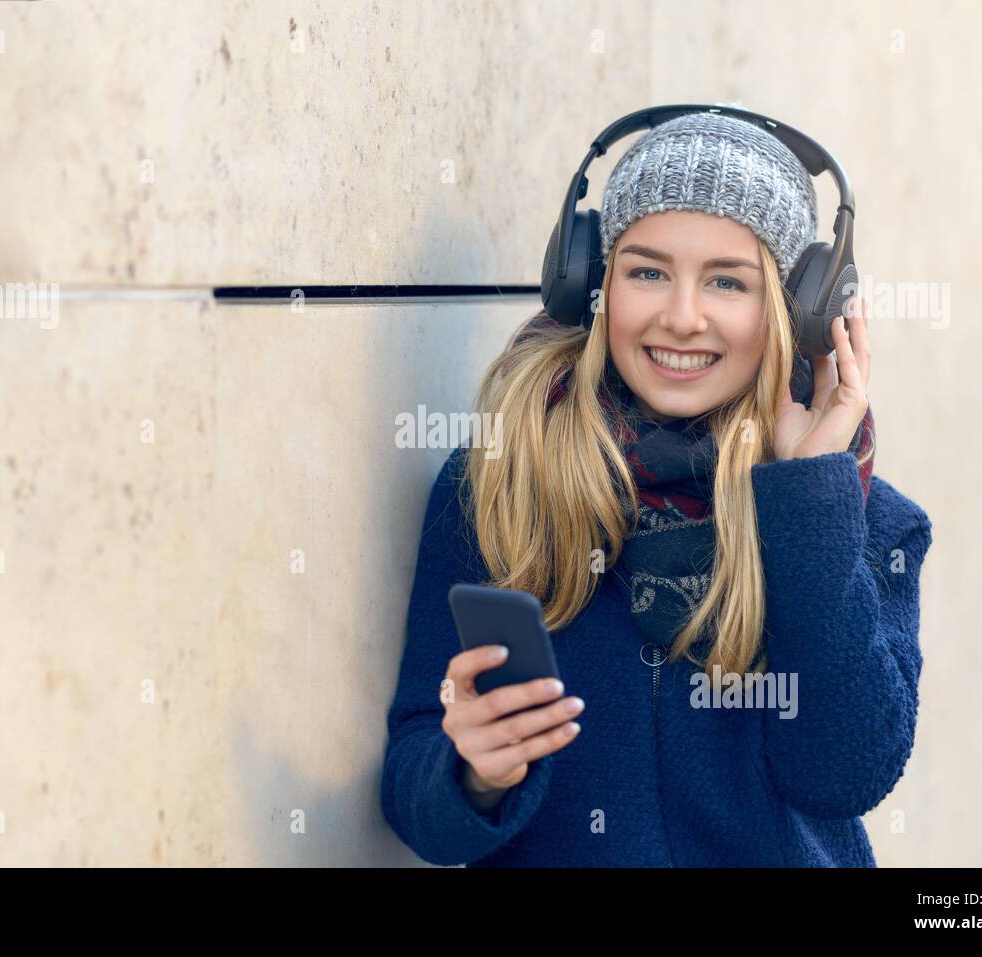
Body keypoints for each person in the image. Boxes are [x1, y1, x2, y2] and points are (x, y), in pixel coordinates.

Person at [380, 111, 934, 867]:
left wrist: (807, 496)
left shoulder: (861, 521)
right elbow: (415, 782)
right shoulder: (499, 485)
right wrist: (471, 773)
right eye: (646, 271)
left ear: (799, 314)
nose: (681, 317)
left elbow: (846, 769)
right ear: (590, 284)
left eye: (727, 282)